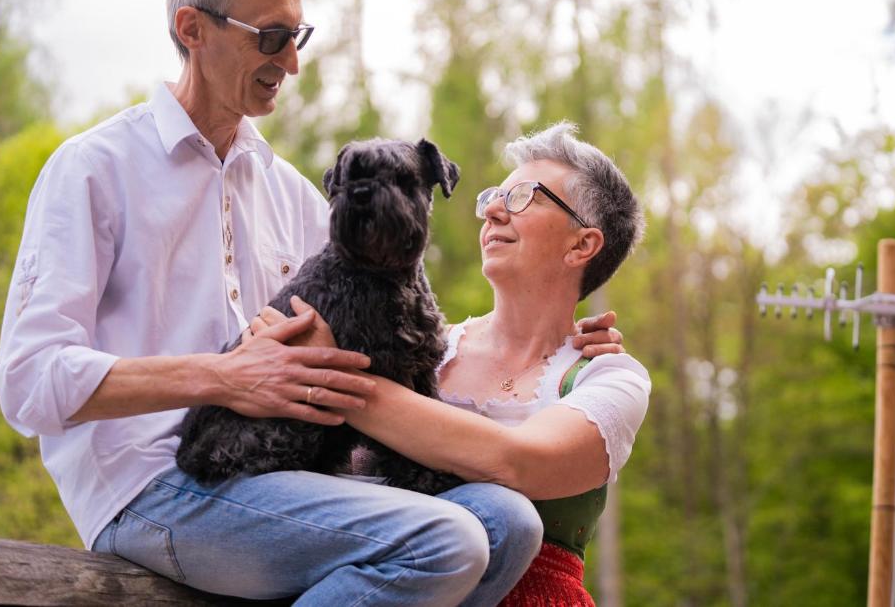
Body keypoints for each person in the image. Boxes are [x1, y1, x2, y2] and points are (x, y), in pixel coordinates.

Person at [0, 0, 621, 605]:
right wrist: (222, 376)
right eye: (270, 37)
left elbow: (387, 330)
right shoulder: (93, 169)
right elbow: (27, 382)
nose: (291, 62)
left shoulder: (293, 193)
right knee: (448, 540)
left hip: (286, 473)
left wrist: (550, 340)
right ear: (192, 29)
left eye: (299, 36)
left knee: (510, 522)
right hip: (145, 485)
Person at [252, 122, 649, 605]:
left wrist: (331, 374)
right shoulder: (424, 345)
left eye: (525, 196)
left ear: (582, 245)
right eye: (493, 197)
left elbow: (519, 462)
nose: (495, 211)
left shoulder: (609, 376)